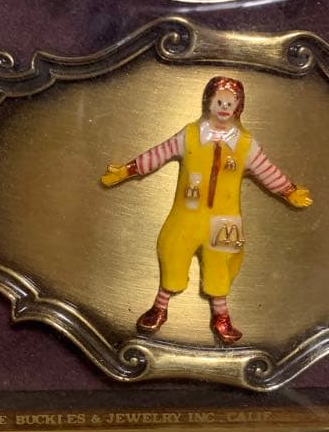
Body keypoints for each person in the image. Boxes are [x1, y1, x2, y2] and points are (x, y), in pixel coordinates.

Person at [100, 76, 312, 344]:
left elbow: (267, 171)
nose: (224, 107)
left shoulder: (245, 144)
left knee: (220, 264)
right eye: (219, 101)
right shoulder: (190, 135)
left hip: (225, 219)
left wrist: (289, 191)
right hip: (187, 214)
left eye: (230, 103)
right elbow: (158, 154)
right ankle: (160, 306)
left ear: (238, 107)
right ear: (209, 102)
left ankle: (221, 317)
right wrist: (125, 171)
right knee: (172, 250)